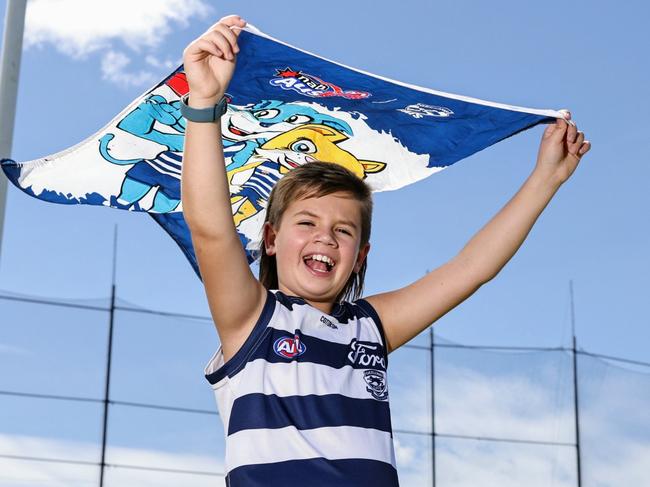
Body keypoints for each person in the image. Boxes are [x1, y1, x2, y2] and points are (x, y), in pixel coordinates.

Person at [180, 15, 591, 487]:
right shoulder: (251, 318)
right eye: (307, 222)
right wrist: (206, 102)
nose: (326, 237)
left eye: (344, 230)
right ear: (270, 239)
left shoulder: (368, 328)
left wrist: (546, 179)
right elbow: (211, 228)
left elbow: (471, 269)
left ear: (361, 255)